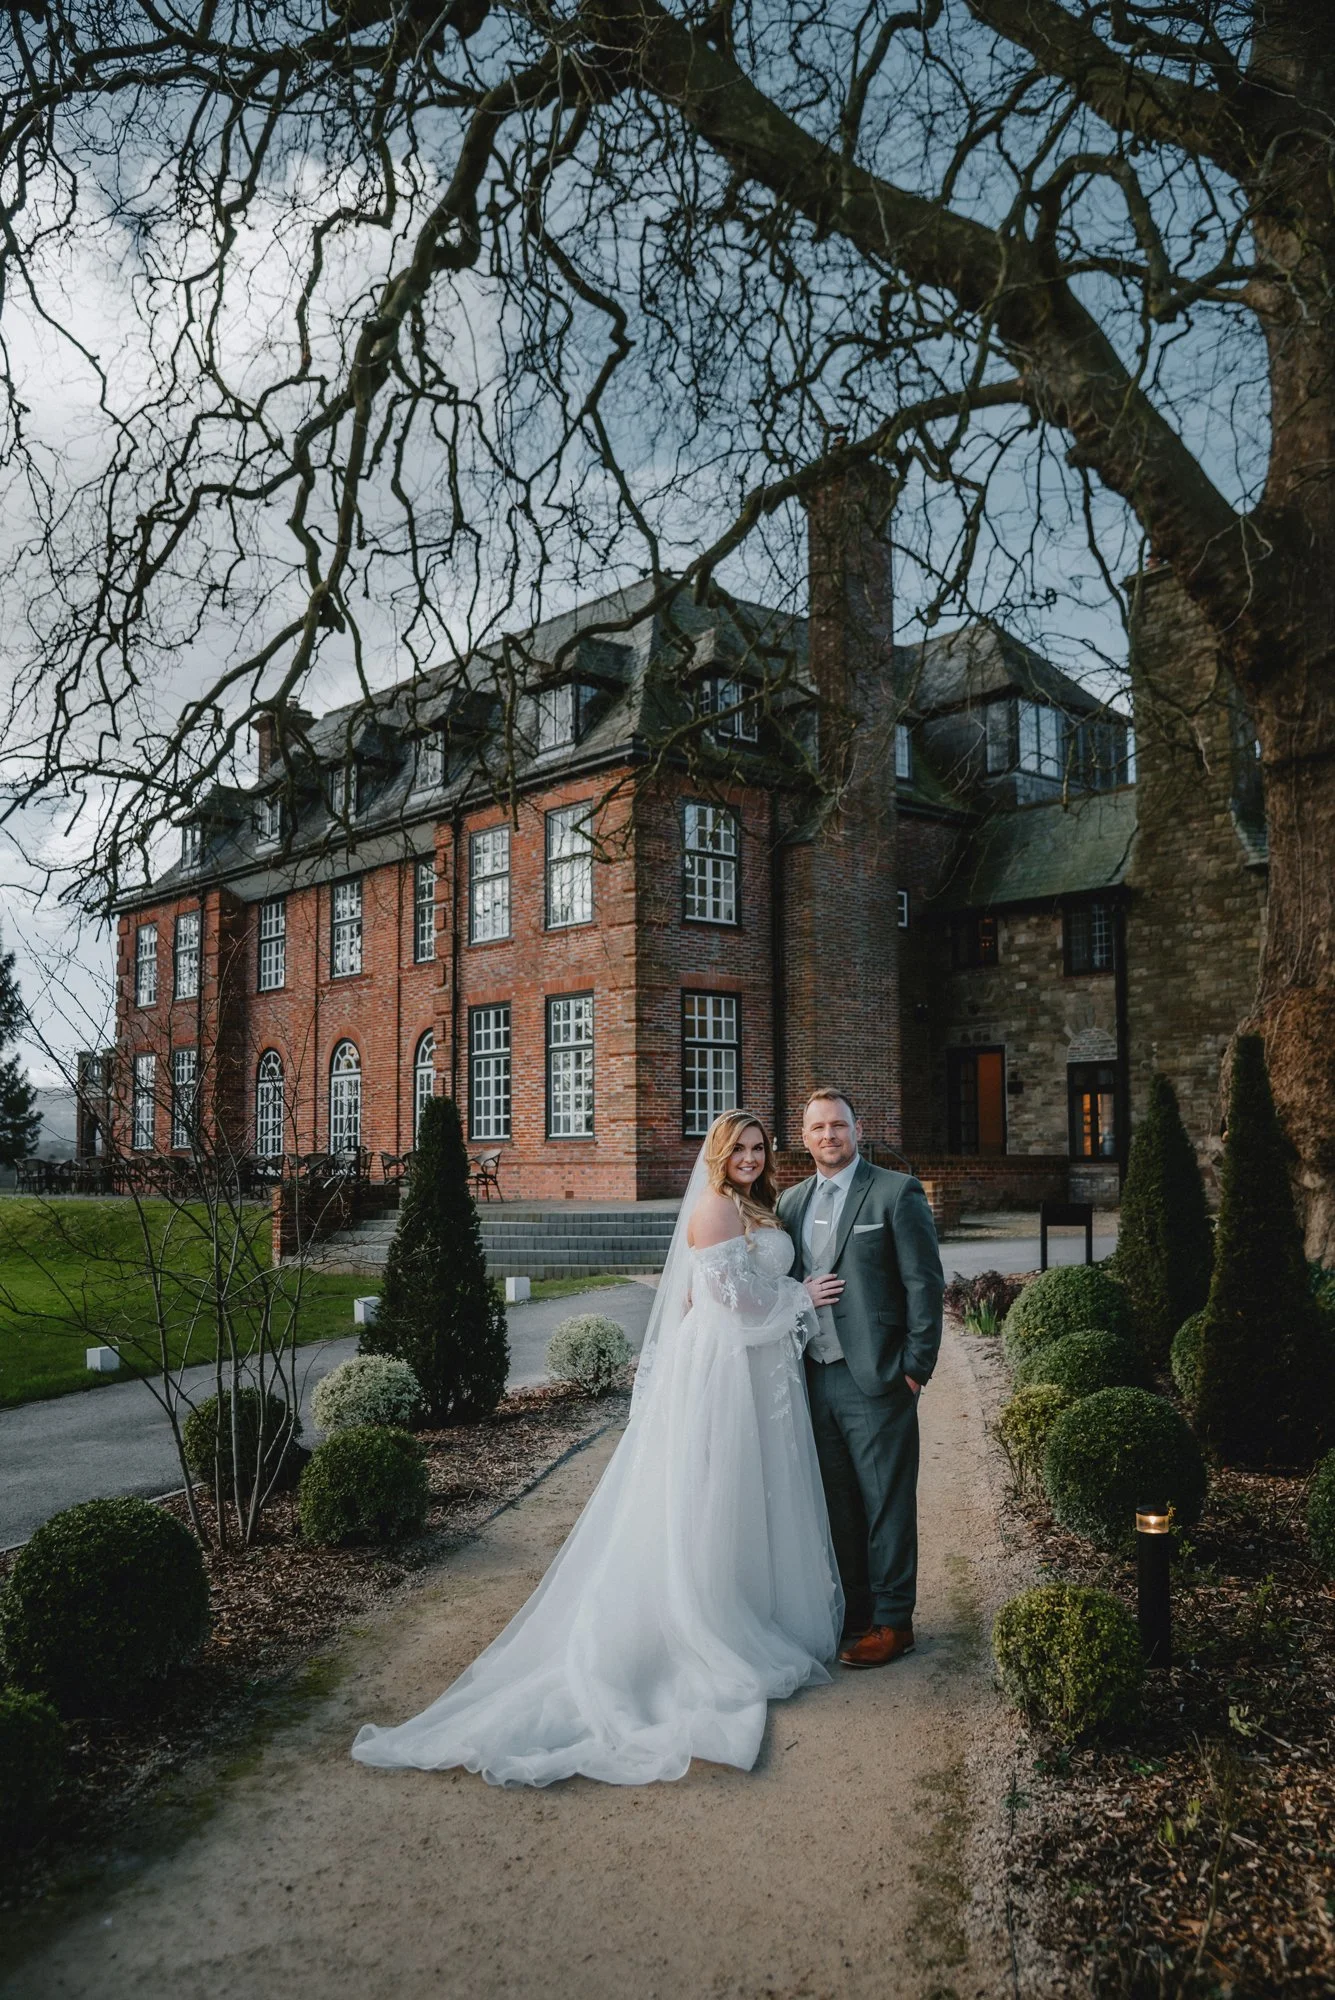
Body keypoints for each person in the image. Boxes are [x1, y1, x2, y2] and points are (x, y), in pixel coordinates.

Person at [351, 1109, 842, 1788]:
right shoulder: (714, 1211)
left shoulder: (754, 1207)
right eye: (741, 1148)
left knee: (749, 1483)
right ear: (720, 1153)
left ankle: (754, 1602)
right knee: (718, 1483)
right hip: (728, 1365)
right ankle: (706, 1625)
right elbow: (734, 1305)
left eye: (759, 1147)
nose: (752, 1157)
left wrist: (784, 1296)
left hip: (753, 1368)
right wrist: (802, 1297)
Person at [777, 1088, 945, 1669]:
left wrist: (915, 1369)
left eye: (839, 1126)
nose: (829, 1136)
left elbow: (925, 1284)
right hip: (812, 1378)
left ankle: (895, 1622)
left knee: (886, 1504)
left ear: (857, 1129)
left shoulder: (896, 1193)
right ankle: (855, 1615)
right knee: (837, 1504)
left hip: (877, 1377)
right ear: (803, 1138)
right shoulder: (790, 1203)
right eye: (818, 1128)